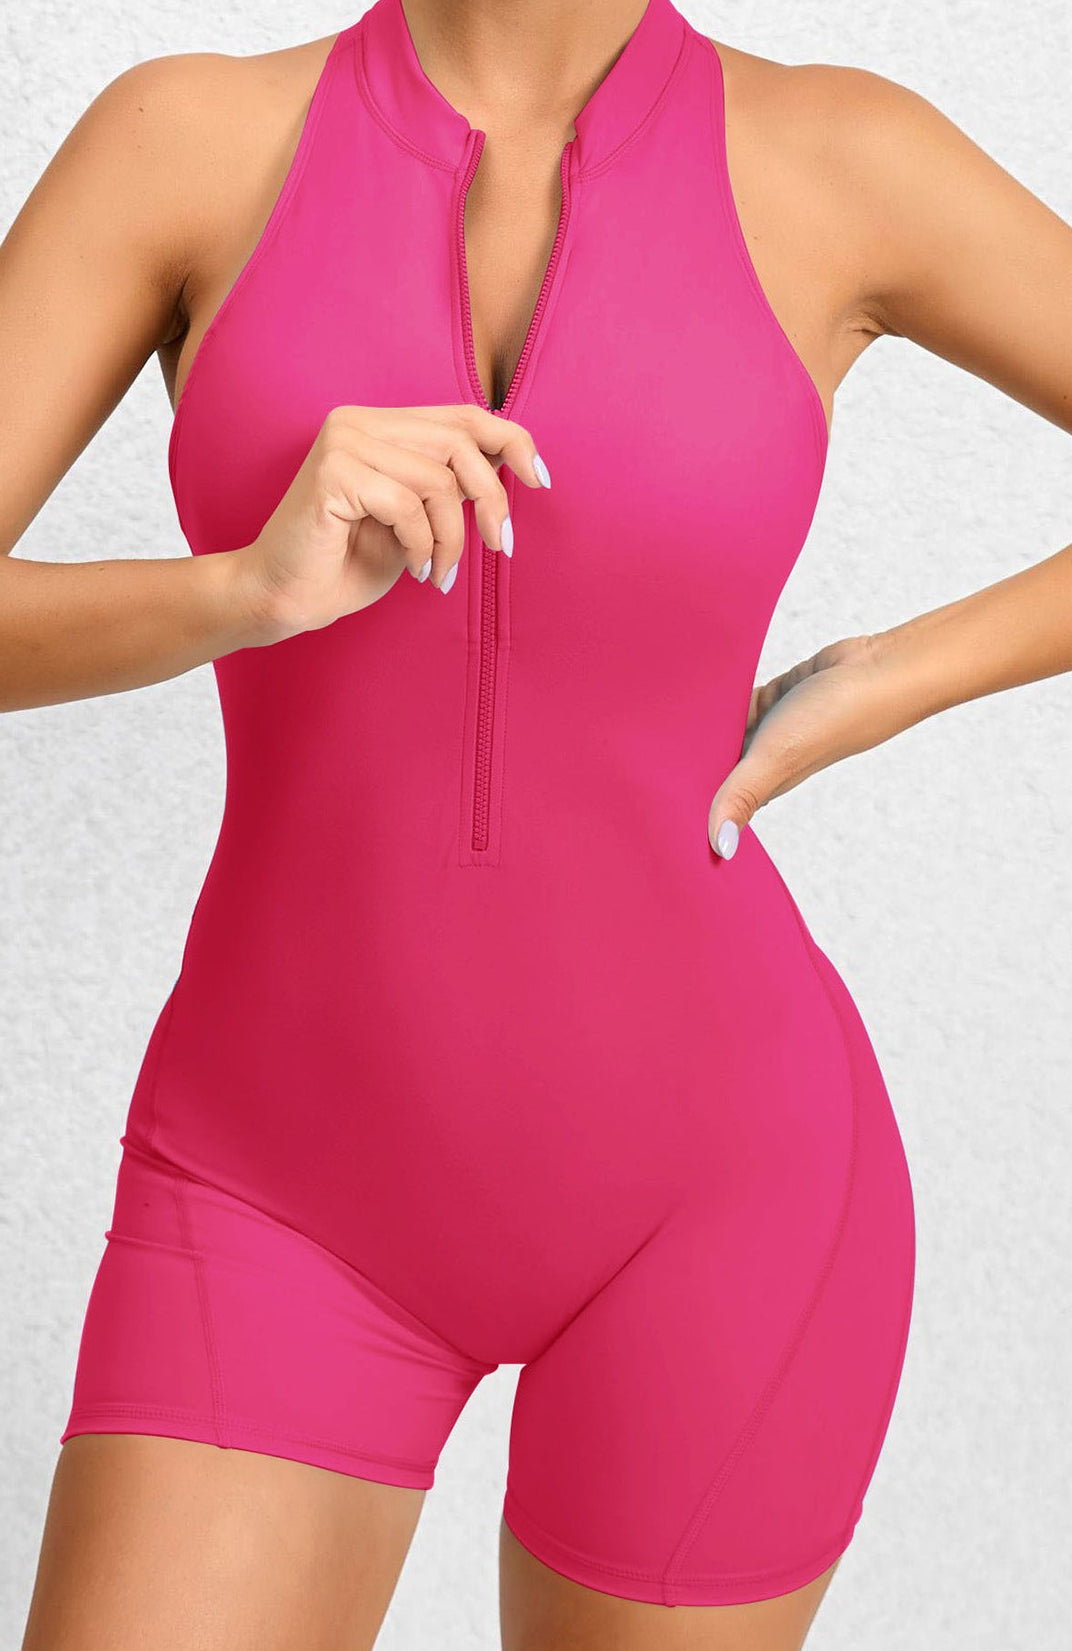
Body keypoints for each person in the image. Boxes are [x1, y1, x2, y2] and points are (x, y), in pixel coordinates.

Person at [4, 0, 1072, 1646]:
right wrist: (241, 591)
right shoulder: (184, 141)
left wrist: (894, 677)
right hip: (270, 1180)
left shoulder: (847, 157)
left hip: (720, 1202)